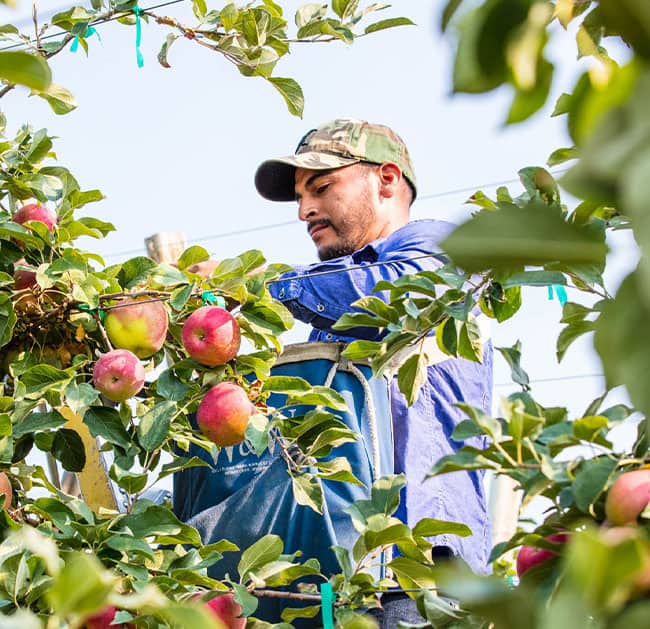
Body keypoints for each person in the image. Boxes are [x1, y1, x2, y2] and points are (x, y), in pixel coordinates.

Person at [253, 118, 493, 626]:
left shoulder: (435, 250)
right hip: (343, 574)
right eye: (300, 197)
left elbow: (395, 293)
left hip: (418, 569)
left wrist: (266, 288)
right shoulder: (327, 325)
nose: (304, 211)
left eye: (320, 187)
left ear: (385, 180)